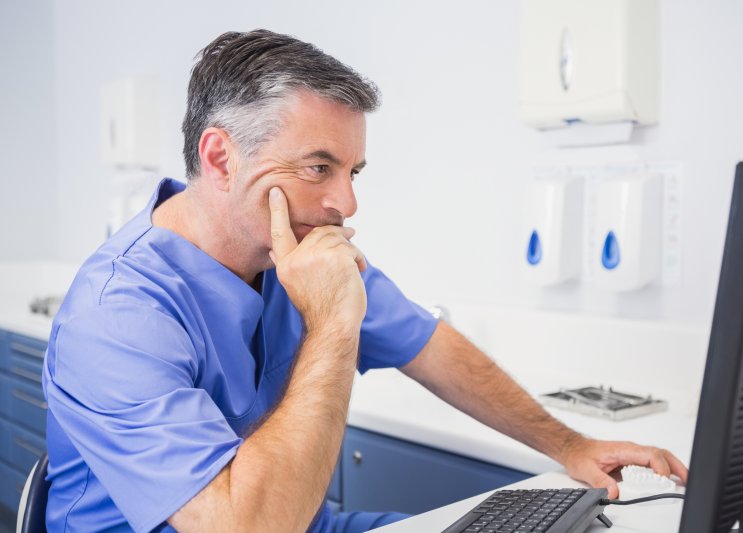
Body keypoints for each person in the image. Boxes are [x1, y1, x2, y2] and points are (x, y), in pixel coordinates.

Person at [42, 29, 687, 532]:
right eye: (319, 167)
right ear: (220, 157)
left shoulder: (291, 251)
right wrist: (330, 323)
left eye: (354, 171)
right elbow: (248, 525)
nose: (346, 204)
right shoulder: (118, 316)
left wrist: (572, 445)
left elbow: (430, 347)